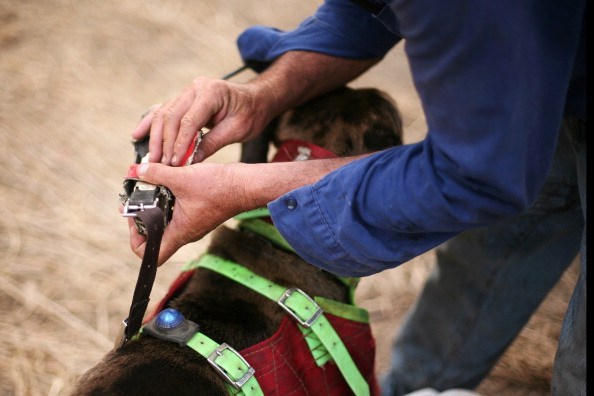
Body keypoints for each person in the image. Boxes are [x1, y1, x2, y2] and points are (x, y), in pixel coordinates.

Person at [126, 1, 586, 394]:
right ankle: (416, 381)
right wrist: (262, 94)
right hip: (550, 67)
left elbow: (473, 175)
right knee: (518, 222)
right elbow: (364, 12)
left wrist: (243, 188)